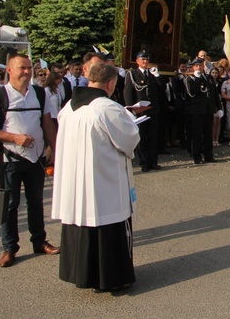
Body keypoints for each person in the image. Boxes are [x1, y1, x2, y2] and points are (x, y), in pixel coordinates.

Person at [52, 63, 140, 292]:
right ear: (110, 83)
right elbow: (129, 138)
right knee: (108, 224)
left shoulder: (68, 107)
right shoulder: (107, 108)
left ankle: (83, 274)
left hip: (77, 182)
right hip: (104, 182)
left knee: (83, 221)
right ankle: (113, 277)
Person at [0, 54, 59, 268]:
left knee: (36, 201)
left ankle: (39, 241)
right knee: (10, 205)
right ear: (10, 71)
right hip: (10, 159)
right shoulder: (0, 95)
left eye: (28, 68)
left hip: (36, 158)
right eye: (21, 68)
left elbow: (48, 124)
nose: (26, 72)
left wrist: (56, 150)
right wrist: (14, 138)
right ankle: (9, 248)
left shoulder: (40, 94)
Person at [123, 50, 160, 172]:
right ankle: (144, 162)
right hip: (140, 111)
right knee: (142, 137)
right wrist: (131, 109)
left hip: (153, 110)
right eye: (142, 59)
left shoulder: (152, 74)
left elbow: (162, 88)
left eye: (147, 59)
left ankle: (153, 161)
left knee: (153, 137)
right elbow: (128, 93)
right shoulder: (132, 74)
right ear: (137, 61)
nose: (145, 61)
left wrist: (158, 76)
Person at [182, 58, 218, 164]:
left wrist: (218, 107)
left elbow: (214, 94)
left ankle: (208, 155)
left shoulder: (209, 77)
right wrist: (197, 79)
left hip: (208, 110)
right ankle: (197, 156)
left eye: (200, 65)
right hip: (196, 111)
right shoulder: (190, 79)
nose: (199, 68)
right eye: (196, 66)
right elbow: (192, 93)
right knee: (197, 135)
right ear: (193, 67)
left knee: (208, 134)